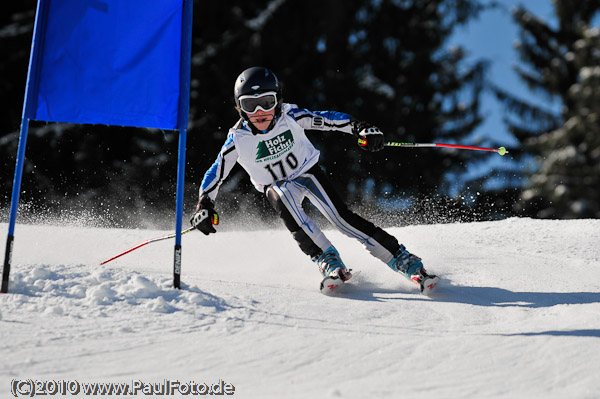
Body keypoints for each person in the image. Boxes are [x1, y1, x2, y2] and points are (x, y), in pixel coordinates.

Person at [190, 66, 439, 294]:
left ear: (278, 101)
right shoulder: (238, 139)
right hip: (276, 186)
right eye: (250, 105)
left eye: (267, 102)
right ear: (239, 107)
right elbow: (216, 172)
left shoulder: (291, 116)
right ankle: (328, 260)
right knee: (285, 198)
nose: (260, 112)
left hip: (306, 173)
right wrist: (204, 204)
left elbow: (328, 119)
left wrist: (359, 127)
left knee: (341, 219)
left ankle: (403, 260)